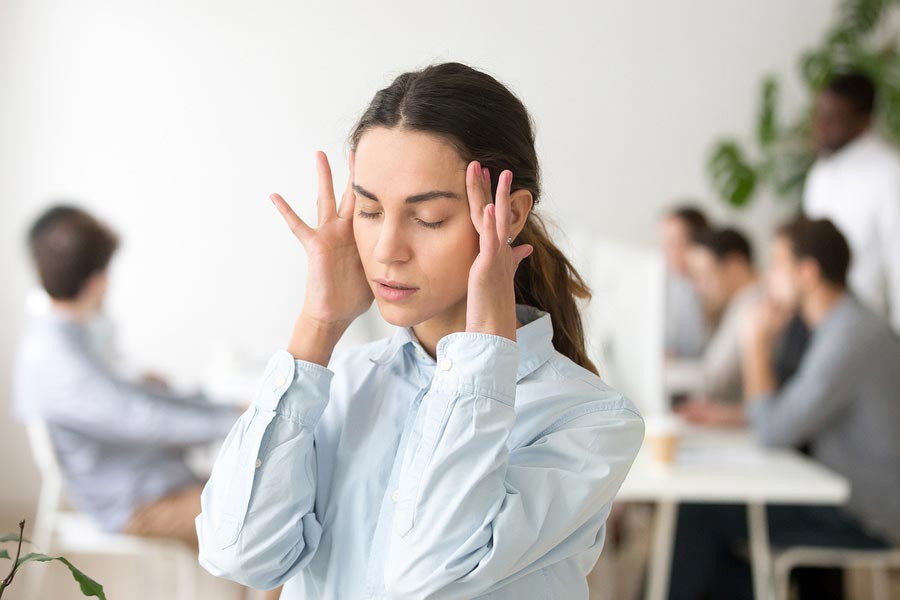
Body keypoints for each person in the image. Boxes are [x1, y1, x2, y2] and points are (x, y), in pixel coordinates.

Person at [195, 62, 645, 599]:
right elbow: (239, 553)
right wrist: (316, 326)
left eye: (428, 218)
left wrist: (482, 349)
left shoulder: (589, 420)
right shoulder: (341, 381)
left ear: (512, 215)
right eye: (368, 210)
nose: (387, 250)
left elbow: (430, 576)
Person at [669, 218, 900, 600]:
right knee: (711, 522)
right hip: (844, 494)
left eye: (777, 264)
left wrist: (755, 343)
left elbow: (773, 432)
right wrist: (735, 416)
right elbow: (797, 413)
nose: (768, 277)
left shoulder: (849, 337)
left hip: (868, 513)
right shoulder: (842, 327)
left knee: (699, 514)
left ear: (807, 273)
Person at [12, 205, 243, 548]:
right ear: (96, 281)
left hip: (147, 478)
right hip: (134, 502)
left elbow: (137, 399)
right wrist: (239, 418)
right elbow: (145, 417)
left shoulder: (68, 333)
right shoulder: (60, 360)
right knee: (265, 516)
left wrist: (219, 406)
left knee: (266, 503)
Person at [804, 71, 900, 333]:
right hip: (817, 325)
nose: (820, 126)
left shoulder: (889, 173)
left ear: (863, 121)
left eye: (832, 118)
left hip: (867, 330)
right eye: (819, 115)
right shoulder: (820, 174)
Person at [665, 227, 761, 413]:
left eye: (704, 275)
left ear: (735, 267)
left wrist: (662, 370)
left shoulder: (751, 304)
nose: (699, 288)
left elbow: (711, 378)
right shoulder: (740, 304)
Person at [660, 206, 711, 359]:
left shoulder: (712, 290)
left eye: (675, 243)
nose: (667, 252)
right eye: (665, 244)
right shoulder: (675, 286)